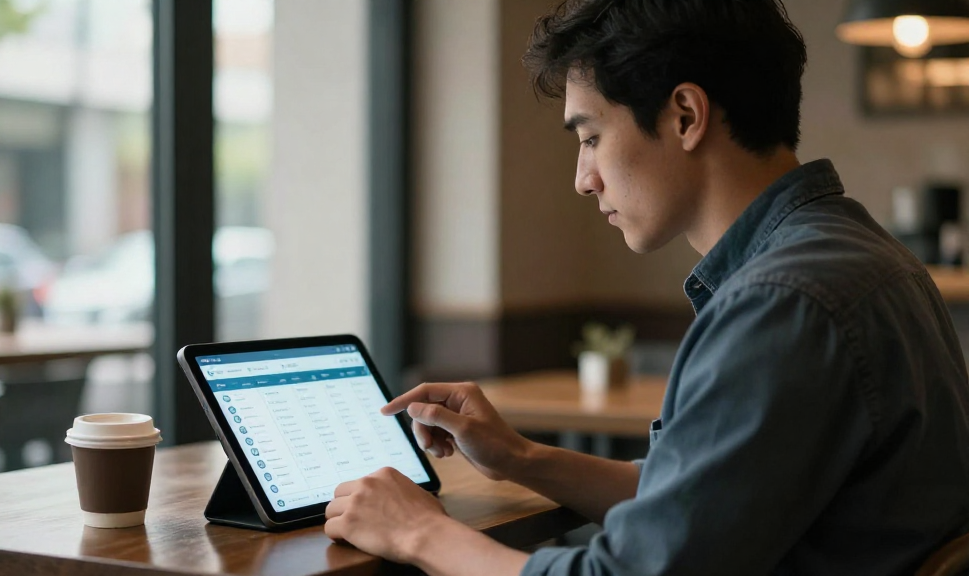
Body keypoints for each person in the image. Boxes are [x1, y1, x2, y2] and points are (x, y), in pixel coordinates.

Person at [324, 1, 969, 574]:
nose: (583, 178)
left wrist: (418, 533)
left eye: (592, 137)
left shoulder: (784, 303)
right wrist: (520, 457)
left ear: (686, 114)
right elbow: (697, 497)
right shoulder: (858, 256)